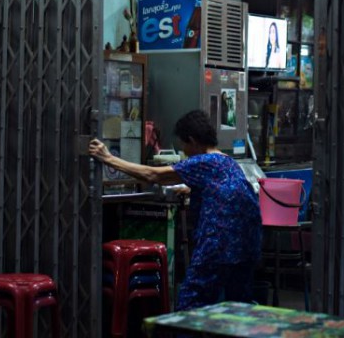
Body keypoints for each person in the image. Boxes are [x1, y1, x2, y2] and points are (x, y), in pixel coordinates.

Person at [88, 109, 262, 311]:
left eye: (184, 146)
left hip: (219, 244)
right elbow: (222, 188)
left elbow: (153, 175)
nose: (185, 152)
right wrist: (191, 188)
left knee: (191, 301)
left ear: (192, 140)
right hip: (249, 244)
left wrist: (108, 158)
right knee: (237, 305)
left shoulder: (203, 160)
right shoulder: (227, 162)